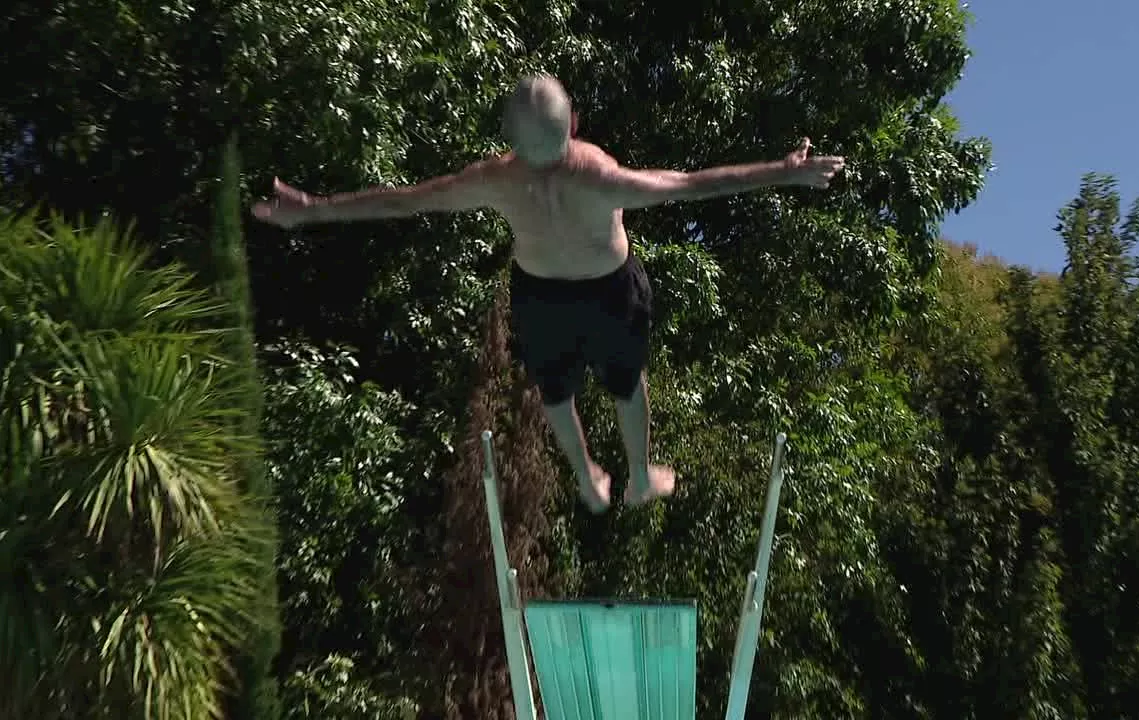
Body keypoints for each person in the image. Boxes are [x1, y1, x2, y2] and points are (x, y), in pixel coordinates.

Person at [252, 73, 845, 513]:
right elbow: (691, 186)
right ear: (575, 124)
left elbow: (407, 199)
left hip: (540, 297)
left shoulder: (494, 178)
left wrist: (315, 211)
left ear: (509, 138)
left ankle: (586, 477)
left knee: (557, 395)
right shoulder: (599, 177)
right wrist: (783, 170)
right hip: (610, 292)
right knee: (625, 384)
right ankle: (638, 476)